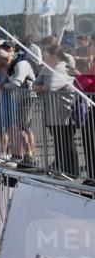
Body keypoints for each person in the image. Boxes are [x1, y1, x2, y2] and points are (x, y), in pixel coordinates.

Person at [34, 44, 79, 177]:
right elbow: (35, 83)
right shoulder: (47, 69)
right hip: (52, 113)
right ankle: (62, 168)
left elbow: (51, 86)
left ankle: (73, 172)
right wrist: (41, 87)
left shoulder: (62, 68)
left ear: (54, 56)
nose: (43, 58)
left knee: (67, 142)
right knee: (59, 143)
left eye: (45, 56)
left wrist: (41, 87)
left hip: (65, 114)